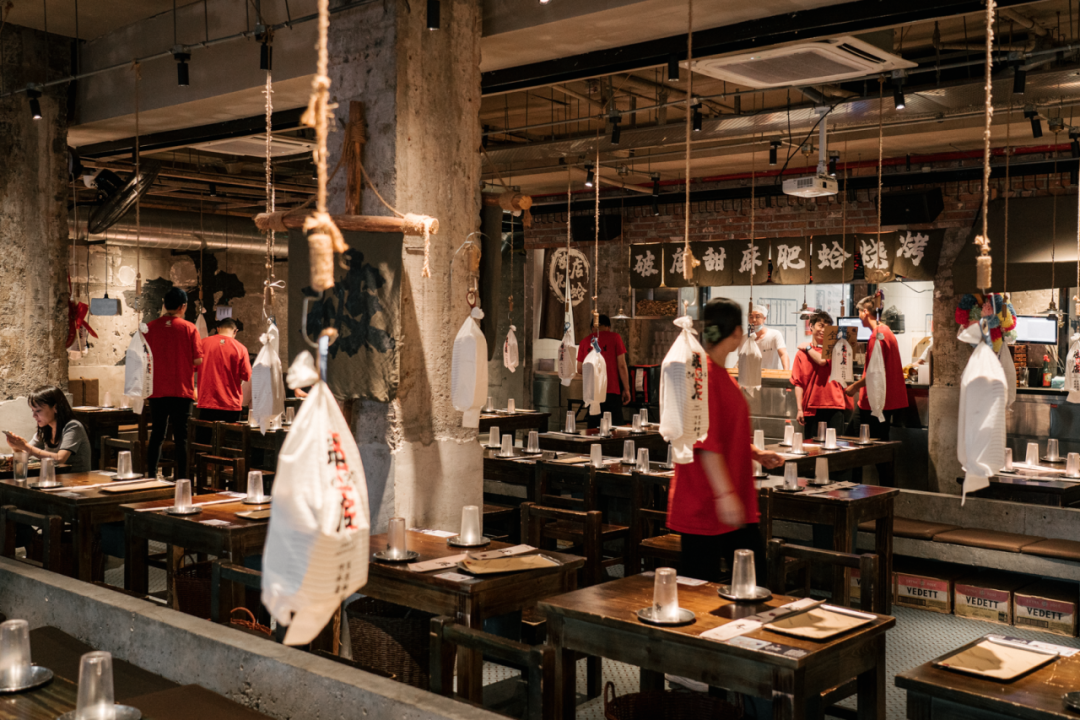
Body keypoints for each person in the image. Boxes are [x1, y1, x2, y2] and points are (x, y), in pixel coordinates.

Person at [668, 298, 785, 584]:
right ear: (736, 333)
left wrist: (754, 453)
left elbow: (721, 433)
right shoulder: (703, 375)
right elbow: (705, 443)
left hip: (731, 501)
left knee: (751, 585)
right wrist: (725, 495)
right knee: (703, 591)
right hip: (707, 502)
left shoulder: (719, 373)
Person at [844, 295, 908, 486]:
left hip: (874, 402)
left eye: (858, 312)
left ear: (865, 312)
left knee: (856, 445)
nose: (858, 317)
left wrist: (855, 386)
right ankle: (882, 489)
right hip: (883, 401)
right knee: (876, 446)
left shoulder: (876, 336)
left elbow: (875, 372)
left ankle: (856, 488)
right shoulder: (886, 332)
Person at [144, 287, 203, 478]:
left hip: (156, 389)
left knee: (157, 434)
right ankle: (182, 479)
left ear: (164, 304)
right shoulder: (189, 328)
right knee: (181, 437)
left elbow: (143, 358)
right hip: (181, 390)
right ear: (182, 306)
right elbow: (198, 360)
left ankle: (151, 475)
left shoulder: (150, 327)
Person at [3, 386, 92, 473]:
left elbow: (60, 459)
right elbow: (25, 455)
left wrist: (26, 447)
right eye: (33, 411)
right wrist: (16, 446)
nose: (34, 416)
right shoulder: (46, 429)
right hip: (55, 479)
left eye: (38, 411)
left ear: (55, 408)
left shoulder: (73, 426)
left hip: (77, 480)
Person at [790, 311, 851, 434]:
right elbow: (798, 384)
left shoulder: (836, 349)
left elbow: (822, 361)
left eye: (827, 327)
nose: (823, 330)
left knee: (834, 443)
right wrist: (800, 410)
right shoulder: (801, 354)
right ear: (811, 326)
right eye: (821, 325)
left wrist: (808, 348)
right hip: (811, 407)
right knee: (812, 444)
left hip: (835, 405)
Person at [575, 314, 631, 428]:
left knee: (594, 430)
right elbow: (621, 365)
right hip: (612, 392)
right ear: (608, 327)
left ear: (592, 327)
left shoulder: (584, 342)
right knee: (615, 429)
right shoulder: (615, 338)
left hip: (592, 394)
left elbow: (580, 369)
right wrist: (626, 389)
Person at [197, 318, 252, 424]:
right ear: (235, 331)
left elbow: (193, 366)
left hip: (207, 402)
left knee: (204, 434)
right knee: (229, 434)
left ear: (218, 329)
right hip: (231, 404)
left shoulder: (203, 343)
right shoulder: (241, 348)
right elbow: (247, 376)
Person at [748, 304, 790, 371]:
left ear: (764, 319)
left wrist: (786, 371)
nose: (754, 320)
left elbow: (783, 354)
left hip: (773, 375)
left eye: (758, 317)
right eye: (751, 317)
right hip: (754, 375)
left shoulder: (774, 335)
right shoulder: (748, 338)